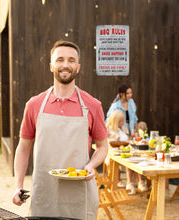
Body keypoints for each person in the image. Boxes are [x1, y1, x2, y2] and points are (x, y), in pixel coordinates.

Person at [12, 40, 108, 220]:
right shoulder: (34, 105)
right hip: (44, 194)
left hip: (79, 196)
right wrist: (18, 185)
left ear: (78, 67)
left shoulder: (93, 105)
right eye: (60, 59)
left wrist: (91, 166)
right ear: (51, 66)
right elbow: (23, 148)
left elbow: (103, 147)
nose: (65, 65)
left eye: (71, 60)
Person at [106, 110, 148, 194]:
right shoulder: (109, 130)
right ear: (116, 121)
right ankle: (130, 183)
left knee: (137, 157)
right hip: (115, 154)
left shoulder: (122, 128)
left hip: (126, 151)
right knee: (130, 159)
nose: (123, 122)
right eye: (121, 121)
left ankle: (140, 181)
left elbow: (128, 140)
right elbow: (110, 144)